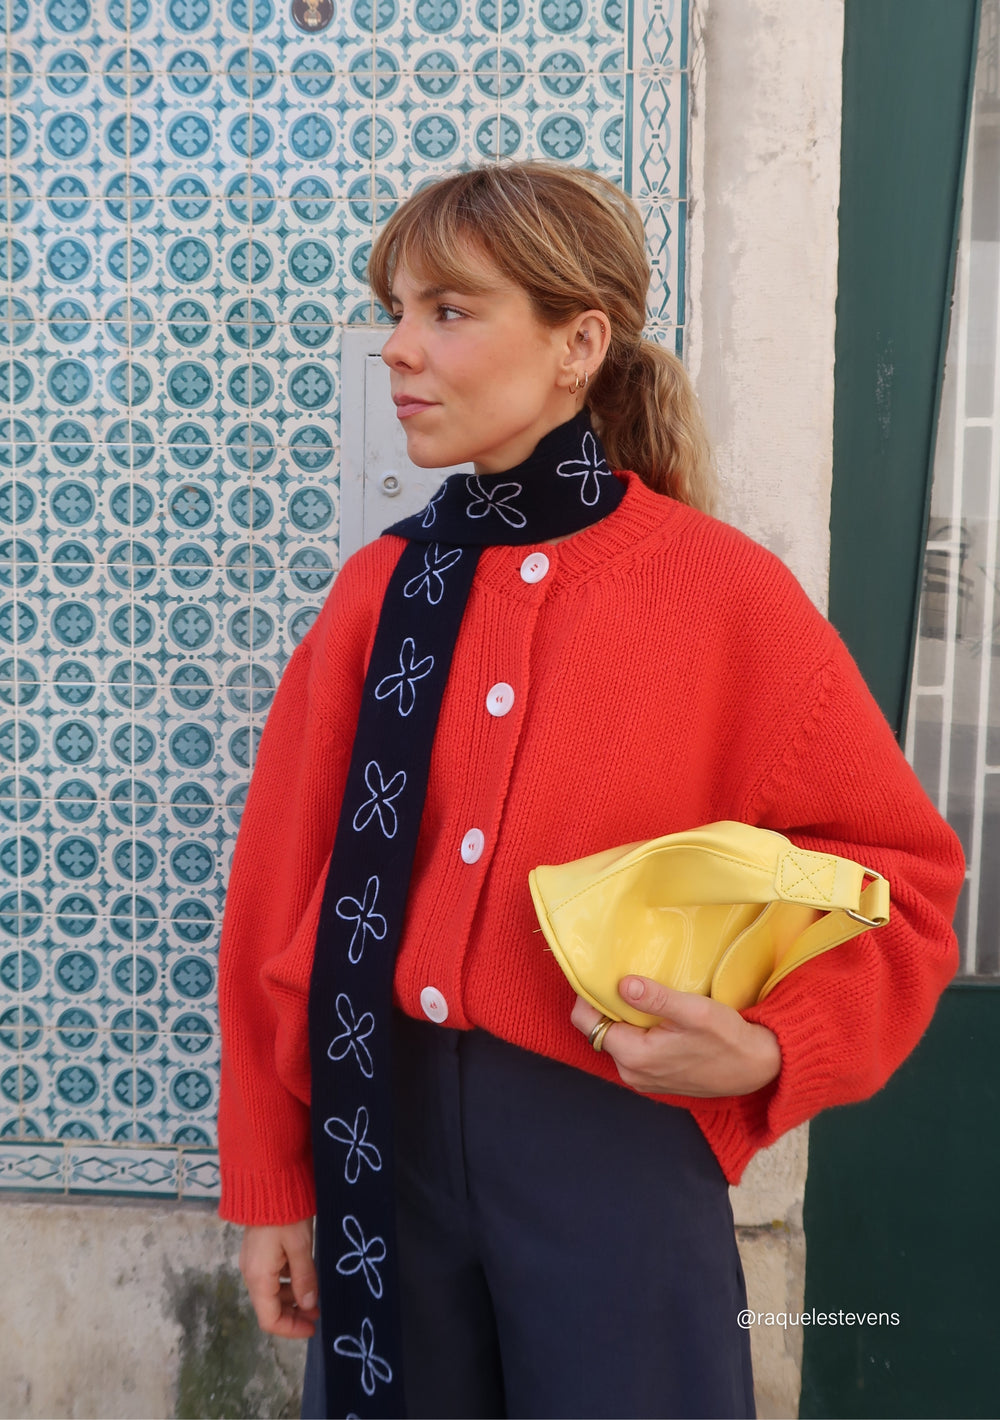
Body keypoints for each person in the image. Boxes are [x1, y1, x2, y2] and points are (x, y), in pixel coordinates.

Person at [217, 162, 964, 1420]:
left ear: (578, 343)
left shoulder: (720, 596)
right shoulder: (376, 596)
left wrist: (777, 1046)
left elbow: (907, 885)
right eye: (394, 310)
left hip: (613, 1147)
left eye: (448, 311)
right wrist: (275, 1179)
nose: (395, 348)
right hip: (378, 1144)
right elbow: (277, 895)